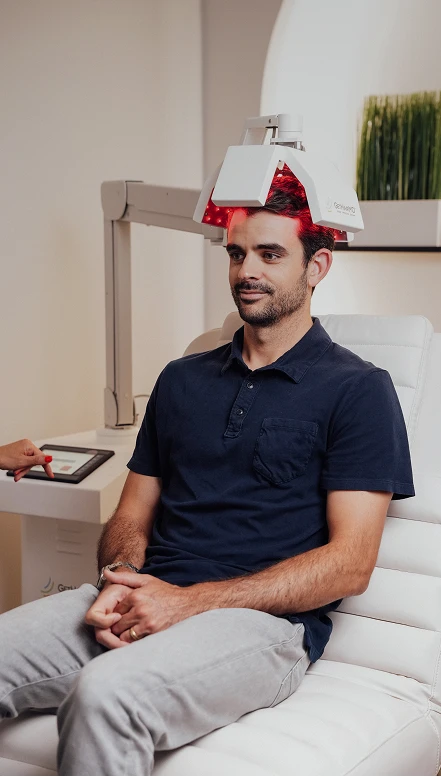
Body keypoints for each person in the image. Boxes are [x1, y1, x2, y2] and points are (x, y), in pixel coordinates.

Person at [0, 168, 415, 776]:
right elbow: (131, 515)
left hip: (259, 627)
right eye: (238, 254)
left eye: (271, 255)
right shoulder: (181, 379)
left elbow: (350, 563)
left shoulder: (359, 390)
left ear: (317, 267)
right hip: (143, 599)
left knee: (106, 695)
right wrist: (119, 576)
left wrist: (188, 605)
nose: (248, 271)